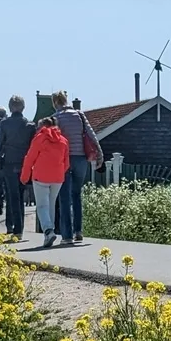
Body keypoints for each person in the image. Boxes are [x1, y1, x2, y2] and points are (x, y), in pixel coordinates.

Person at [51, 90, 103, 245]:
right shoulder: (79, 115)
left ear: (55, 103)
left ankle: (66, 236)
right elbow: (91, 134)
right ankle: (78, 231)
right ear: (66, 100)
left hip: (64, 160)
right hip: (81, 159)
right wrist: (99, 152)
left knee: (64, 197)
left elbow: (54, 140)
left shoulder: (56, 118)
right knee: (76, 194)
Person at [0, 96, 35, 240]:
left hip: (9, 164)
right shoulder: (30, 125)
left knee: (13, 196)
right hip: (25, 164)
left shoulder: (4, 124)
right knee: (21, 194)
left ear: (10, 107)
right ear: (23, 107)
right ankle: (20, 228)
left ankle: (17, 230)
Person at [19, 116, 70, 249]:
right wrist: (59, 173)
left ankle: (48, 231)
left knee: (42, 206)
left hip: (40, 176)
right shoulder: (63, 141)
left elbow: (29, 158)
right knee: (51, 205)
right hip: (58, 177)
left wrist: (24, 177)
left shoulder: (39, 138)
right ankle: (50, 232)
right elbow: (66, 162)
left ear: (42, 126)